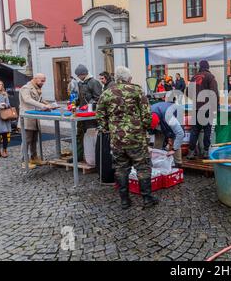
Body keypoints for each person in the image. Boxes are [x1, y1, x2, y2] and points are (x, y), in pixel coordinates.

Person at [97, 66, 158, 210]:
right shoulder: (136, 90)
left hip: (117, 139)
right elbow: (147, 115)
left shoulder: (106, 93)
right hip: (136, 138)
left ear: (117, 78)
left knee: (120, 168)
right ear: (129, 78)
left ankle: (125, 200)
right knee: (142, 167)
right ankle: (147, 199)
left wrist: (109, 129)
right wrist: (144, 127)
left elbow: (99, 116)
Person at [186, 60, 219, 159]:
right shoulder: (210, 77)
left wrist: (196, 99)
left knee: (194, 131)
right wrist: (216, 107)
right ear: (208, 67)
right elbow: (214, 93)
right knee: (207, 130)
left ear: (200, 67)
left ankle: (191, 152)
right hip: (207, 108)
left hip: (196, 108)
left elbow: (187, 92)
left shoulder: (194, 77)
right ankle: (205, 152)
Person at [19, 73, 53, 169]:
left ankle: (34, 157)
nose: (43, 83)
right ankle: (24, 161)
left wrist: (51, 105)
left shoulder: (36, 88)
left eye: (44, 81)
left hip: (34, 118)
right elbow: (27, 100)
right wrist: (43, 106)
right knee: (27, 140)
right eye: (42, 81)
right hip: (27, 118)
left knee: (34, 139)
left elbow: (39, 100)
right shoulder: (25, 88)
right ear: (35, 79)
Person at [73, 64, 103, 162]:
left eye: (78, 75)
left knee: (91, 135)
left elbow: (98, 97)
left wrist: (89, 104)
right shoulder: (80, 83)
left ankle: (94, 157)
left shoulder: (94, 82)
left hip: (91, 115)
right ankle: (78, 156)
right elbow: (80, 97)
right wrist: (74, 103)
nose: (78, 77)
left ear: (83, 74)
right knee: (79, 134)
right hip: (82, 113)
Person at [150, 102, 184, 167]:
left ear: (159, 122)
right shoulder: (147, 115)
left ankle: (178, 163)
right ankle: (156, 161)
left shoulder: (170, 118)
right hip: (161, 115)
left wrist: (174, 149)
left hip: (175, 113)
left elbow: (180, 134)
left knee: (174, 139)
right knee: (158, 141)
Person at [0, 80, 12, 158]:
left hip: (4, 116)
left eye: (1, 84)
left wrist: (4, 105)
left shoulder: (4, 94)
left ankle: (4, 151)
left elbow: (9, 105)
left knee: (4, 134)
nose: (0, 86)